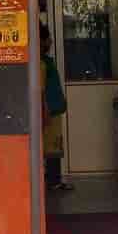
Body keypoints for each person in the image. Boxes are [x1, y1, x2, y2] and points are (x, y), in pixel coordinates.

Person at [40, 25, 72, 191]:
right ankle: (53, 181)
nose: (51, 42)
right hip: (49, 112)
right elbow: (40, 90)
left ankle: (53, 179)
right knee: (51, 147)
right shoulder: (40, 63)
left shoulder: (46, 61)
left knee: (54, 145)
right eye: (48, 39)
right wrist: (45, 110)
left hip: (54, 110)